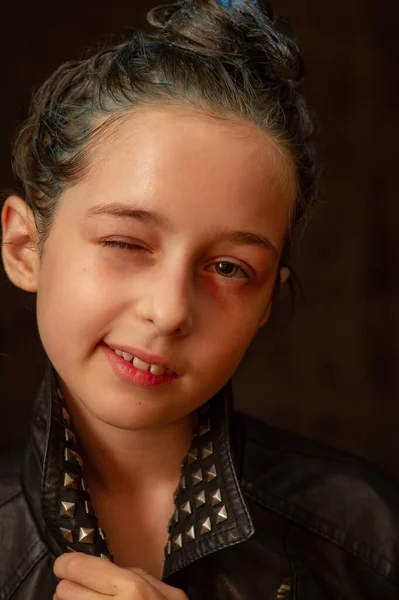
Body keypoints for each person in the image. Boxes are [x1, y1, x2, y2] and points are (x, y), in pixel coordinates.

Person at [0, 0, 398, 598]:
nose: (171, 311)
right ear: (26, 246)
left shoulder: (371, 535)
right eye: (125, 242)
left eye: (229, 268)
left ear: (267, 301)